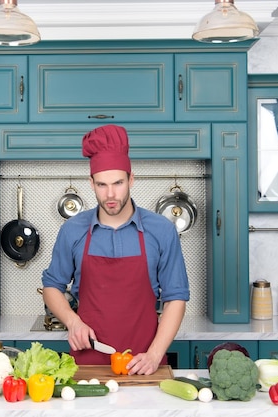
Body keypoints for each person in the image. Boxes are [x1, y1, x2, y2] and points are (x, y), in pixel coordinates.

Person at [41, 124, 190, 375]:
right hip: (88, 363)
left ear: (131, 179)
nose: (111, 194)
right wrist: (72, 321)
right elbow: (51, 286)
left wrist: (154, 355)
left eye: (118, 183)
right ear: (91, 183)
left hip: (144, 362)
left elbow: (176, 297)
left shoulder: (161, 230)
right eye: (101, 185)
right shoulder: (73, 230)